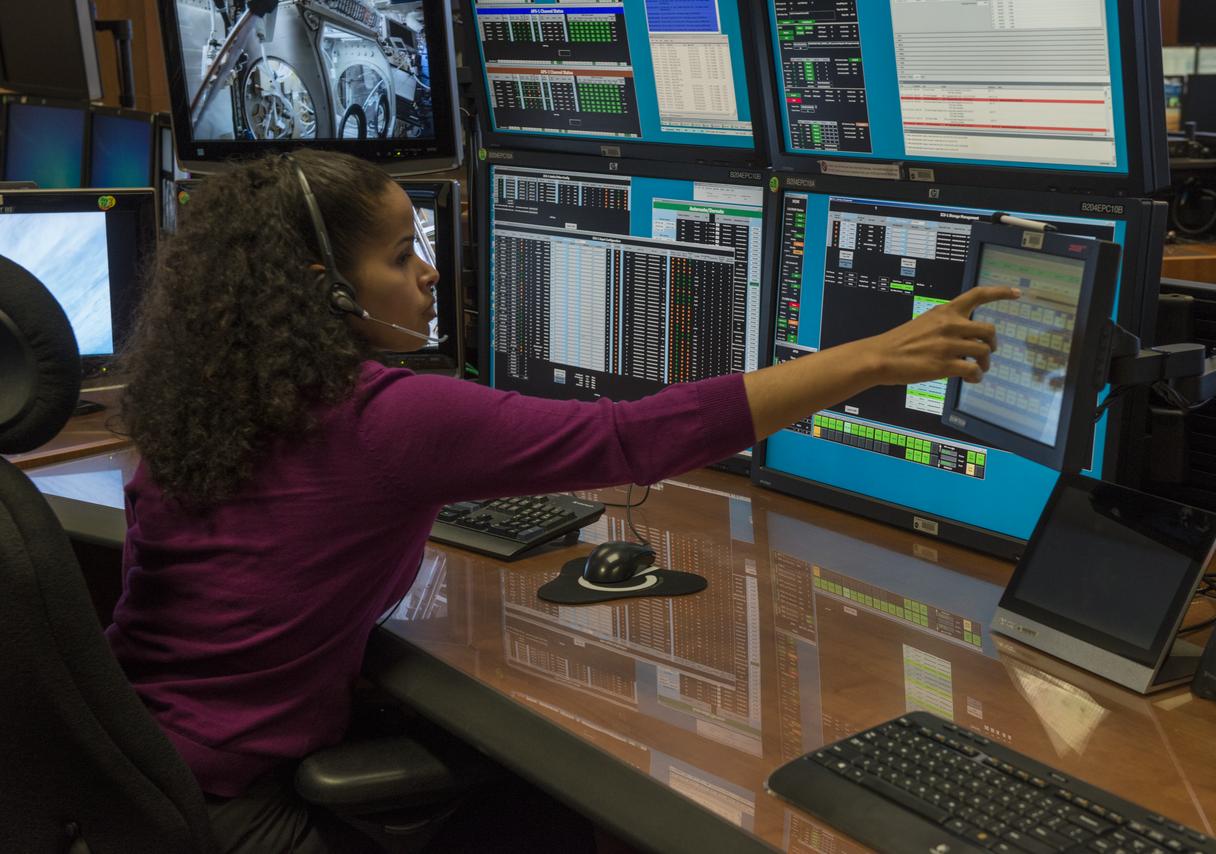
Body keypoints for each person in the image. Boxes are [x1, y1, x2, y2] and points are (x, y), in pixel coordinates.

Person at [108, 149, 1017, 852]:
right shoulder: (388, 422)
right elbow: (631, 440)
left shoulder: (201, 410)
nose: (429, 272)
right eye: (401, 255)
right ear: (326, 292)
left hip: (132, 772)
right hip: (235, 811)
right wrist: (873, 358)